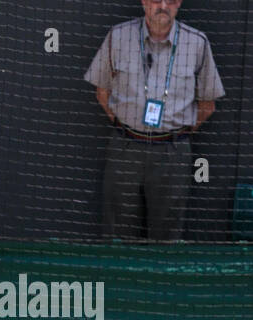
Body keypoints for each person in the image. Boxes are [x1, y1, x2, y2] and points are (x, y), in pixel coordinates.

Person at [85, 0, 225, 241]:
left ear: (179, 3)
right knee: (117, 231)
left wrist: (175, 132)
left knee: (167, 234)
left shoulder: (197, 43)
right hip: (124, 148)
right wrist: (126, 125)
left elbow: (207, 104)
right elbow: (102, 91)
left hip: (172, 153)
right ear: (143, 2)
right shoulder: (119, 36)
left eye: (170, 1)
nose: (162, 6)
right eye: (155, 0)